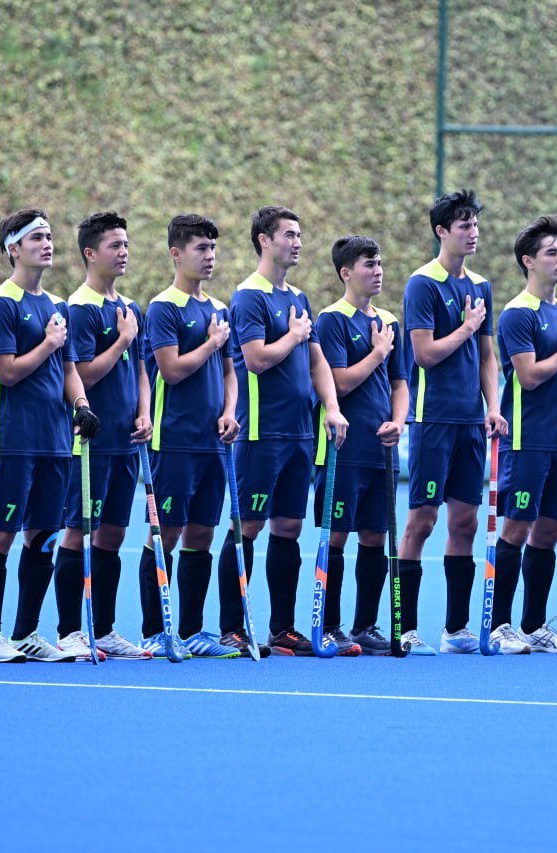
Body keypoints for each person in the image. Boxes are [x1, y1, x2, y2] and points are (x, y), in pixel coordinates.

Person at [217, 206, 348, 656]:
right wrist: (292, 335)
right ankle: (232, 627)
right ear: (264, 240)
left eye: (299, 235)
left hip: (299, 435)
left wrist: (331, 407)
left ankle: (283, 628)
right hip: (261, 434)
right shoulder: (248, 297)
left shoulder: (299, 298)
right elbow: (255, 359)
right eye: (288, 235)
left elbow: (317, 361)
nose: (297, 242)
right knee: (248, 526)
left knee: (289, 528)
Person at [0, 209, 100, 663]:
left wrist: (81, 405)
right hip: (11, 439)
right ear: (13, 248)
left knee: (44, 537)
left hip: (54, 440)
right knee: (2, 534)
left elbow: (68, 369)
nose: (47, 244)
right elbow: (7, 373)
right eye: (36, 238)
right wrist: (47, 342)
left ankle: (26, 632)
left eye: (49, 237)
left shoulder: (57, 306)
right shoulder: (1, 304)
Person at [397, 189, 507, 655]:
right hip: (432, 420)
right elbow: (424, 354)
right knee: (422, 521)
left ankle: (455, 629)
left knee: (465, 521)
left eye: (475, 224)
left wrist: (493, 405)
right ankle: (404, 626)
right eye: (464, 225)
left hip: (469, 423)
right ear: (442, 231)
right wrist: (465, 327)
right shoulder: (422, 284)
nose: (473, 232)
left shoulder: (480, 286)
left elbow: (487, 355)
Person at [51, 211, 153, 661]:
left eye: (126, 244)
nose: (124, 252)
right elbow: (82, 375)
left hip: (126, 444)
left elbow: (143, 372)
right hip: (89, 443)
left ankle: (105, 629)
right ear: (90, 253)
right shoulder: (79, 308)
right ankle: (70, 631)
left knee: (112, 536)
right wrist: (122, 341)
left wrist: (145, 413)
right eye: (115, 245)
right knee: (78, 533)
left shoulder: (129, 307)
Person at [138, 214, 241, 659]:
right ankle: (154, 631)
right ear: (176, 254)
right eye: (201, 248)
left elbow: (230, 373)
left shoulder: (218, 308)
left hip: (212, 444)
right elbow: (172, 370)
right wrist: (211, 343)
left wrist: (230, 412)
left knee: (202, 535)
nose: (210, 256)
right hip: (174, 441)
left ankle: (194, 630)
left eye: (213, 248)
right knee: (165, 534)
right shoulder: (163, 307)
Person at [490, 215, 557, 654]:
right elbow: (528, 376)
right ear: (529, 261)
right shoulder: (517, 314)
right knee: (516, 530)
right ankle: (499, 626)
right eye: (552, 252)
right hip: (526, 442)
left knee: (548, 533)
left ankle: (534, 627)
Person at [313, 236, 408, 655]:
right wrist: (376, 353)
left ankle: (365, 626)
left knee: (374, 537)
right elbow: (338, 383)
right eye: (369, 264)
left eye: (380, 263)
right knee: (336, 536)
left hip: (380, 451)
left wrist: (398, 422)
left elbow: (401, 382)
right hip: (343, 450)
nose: (378, 271)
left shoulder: (389, 322)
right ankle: (329, 625)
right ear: (346, 272)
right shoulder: (331, 320)